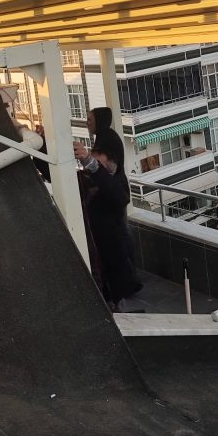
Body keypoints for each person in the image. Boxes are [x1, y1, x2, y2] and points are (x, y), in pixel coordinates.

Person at [74, 133, 140, 311]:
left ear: (112, 161)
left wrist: (92, 164)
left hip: (111, 262)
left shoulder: (117, 183)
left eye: (98, 161)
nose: (92, 166)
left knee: (117, 307)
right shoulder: (86, 180)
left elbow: (118, 197)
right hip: (95, 258)